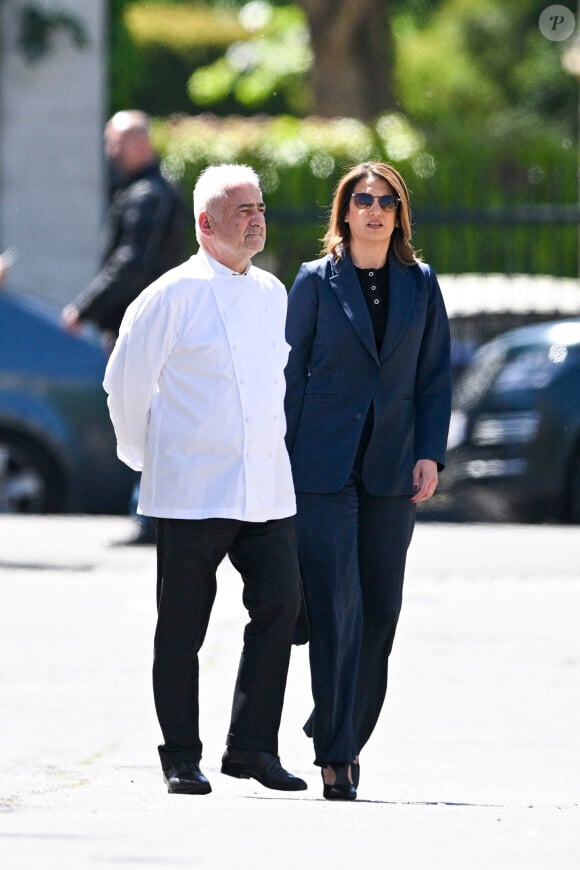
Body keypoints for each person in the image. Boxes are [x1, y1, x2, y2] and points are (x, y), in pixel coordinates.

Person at [103, 163, 307, 797]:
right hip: (192, 488)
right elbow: (125, 384)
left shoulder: (274, 293)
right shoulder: (170, 295)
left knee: (281, 606)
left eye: (260, 208)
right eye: (241, 210)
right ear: (205, 224)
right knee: (183, 627)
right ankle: (180, 757)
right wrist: (146, 457)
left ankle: (250, 748)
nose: (255, 219)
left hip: (265, 487)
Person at [284, 161, 452, 800]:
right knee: (335, 609)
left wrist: (430, 453)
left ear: (400, 214)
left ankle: (338, 722)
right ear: (345, 212)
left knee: (380, 612)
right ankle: (338, 754)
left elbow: (434, 377)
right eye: (363, 200)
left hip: (392, 466)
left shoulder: (421, 284)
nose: (375, 210)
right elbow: (290, 376)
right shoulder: (315, 282)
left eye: (386, 201)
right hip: (322, 468)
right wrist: (282, 461)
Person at [62, 110, 187, 544]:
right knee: (148, 416)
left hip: (148, 331)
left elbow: (132, 263)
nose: (110, 151)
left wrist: (84, 308)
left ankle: (152, 514)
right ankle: (150, 511)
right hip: (155, 328)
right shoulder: (146, 190)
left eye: (116, 142)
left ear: (138, 142)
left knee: (145, 416)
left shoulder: (147, 195)